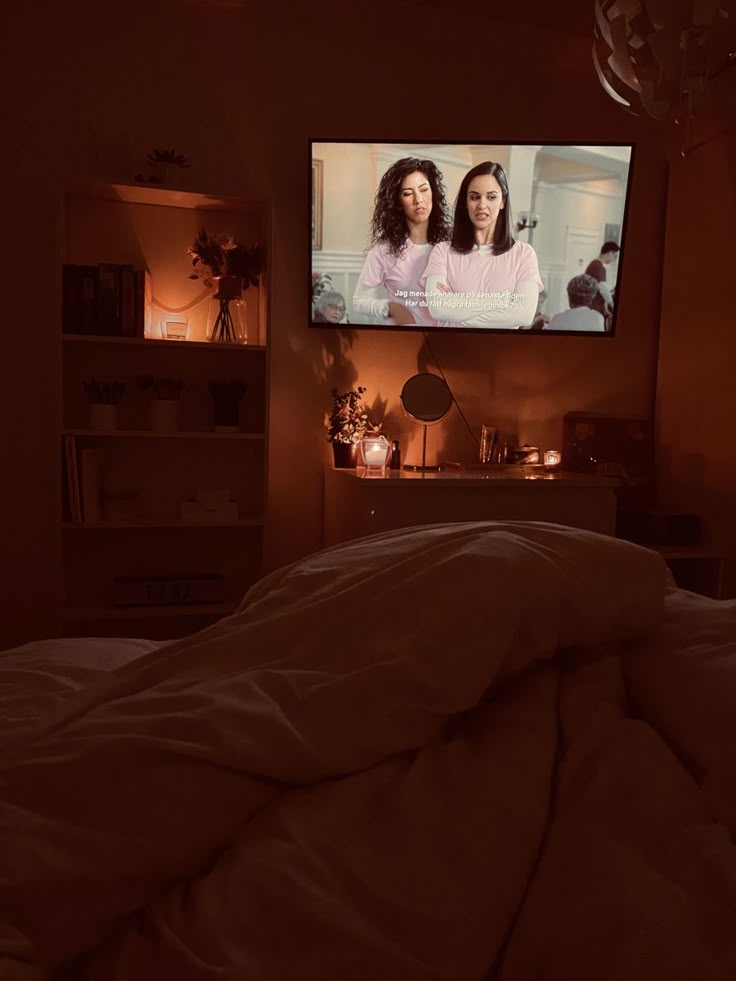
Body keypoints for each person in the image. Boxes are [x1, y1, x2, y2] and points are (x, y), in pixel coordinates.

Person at [421, 161, 543, 329]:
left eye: (491, 197)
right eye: (474, 197)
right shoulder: (442, 252)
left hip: (501, 352)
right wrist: (503, 302)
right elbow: (438, 309)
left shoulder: (524, 254)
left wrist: (457, 306)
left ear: (503, 202)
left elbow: (524, 315)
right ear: (466, 202)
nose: (482, 205)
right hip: (449, 349)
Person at [352, 157, 451, 327]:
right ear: (397, 201)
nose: (418, 199)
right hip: (404, 338)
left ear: (433, 192)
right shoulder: (384, 250)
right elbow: (359, 300)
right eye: (407, 193)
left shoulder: (451, 242)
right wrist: (391, 308)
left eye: (424, 190)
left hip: (446, 338)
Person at [585, 240, 619, 326]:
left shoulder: (594, 264)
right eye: (615, 256)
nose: (614, 259)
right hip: (595, 306)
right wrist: (611, 304)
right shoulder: (598, 266)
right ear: (610, 253)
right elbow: (602, 288)